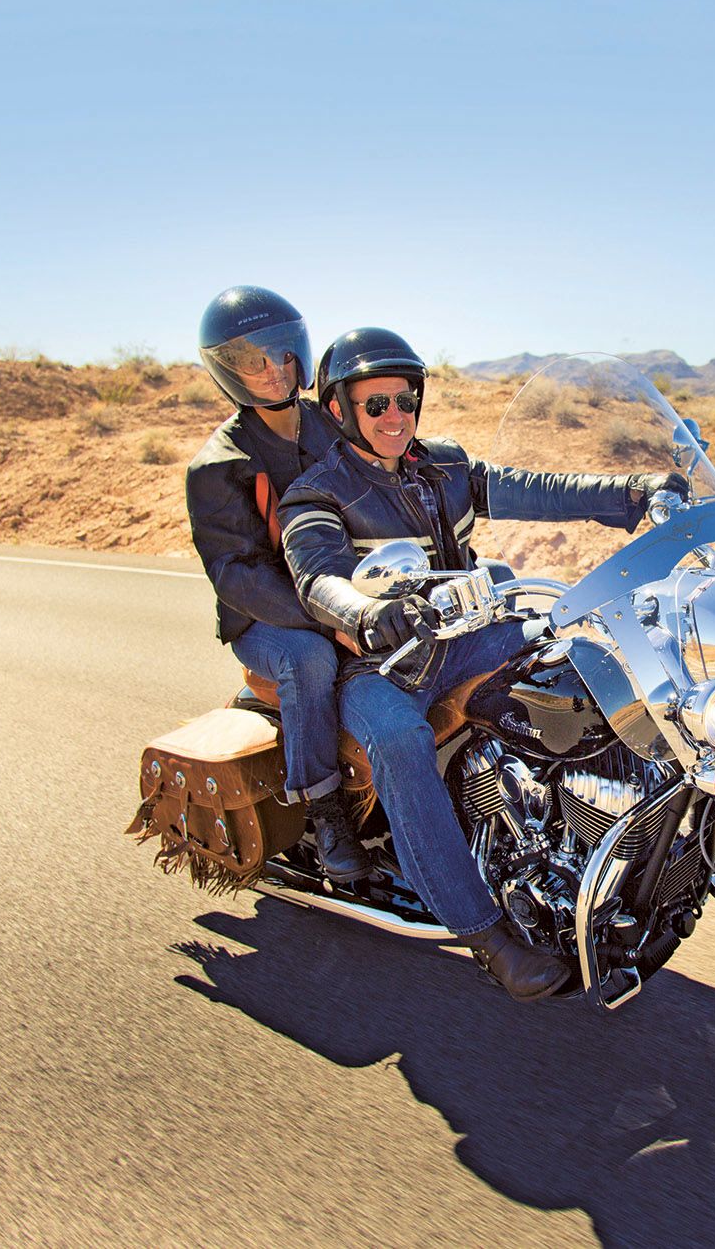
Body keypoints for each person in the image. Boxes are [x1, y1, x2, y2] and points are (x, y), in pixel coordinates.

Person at [279, 327, 682, 1001]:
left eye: (405, 401)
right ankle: (486, 935)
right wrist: (364, 614)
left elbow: (536, 489)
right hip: (380, 665)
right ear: (340, 411)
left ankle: (593, 829)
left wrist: (634, 493)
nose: (395, 417)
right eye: (375, 405)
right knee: (400, 741)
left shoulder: (442, 469)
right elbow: (317, 576)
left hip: (471, 634)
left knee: (583, 659)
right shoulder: (316, 493)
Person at [184, 286, 371, 884]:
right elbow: (236, 573)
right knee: (312, 660)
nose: (273, 372)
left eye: (282, 354)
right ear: (227, 372)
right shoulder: (219, 465)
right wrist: (328, 617)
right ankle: (325, 809)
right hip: (271, 619)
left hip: (349, 588)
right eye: (251, 361)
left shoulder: (334, 422)